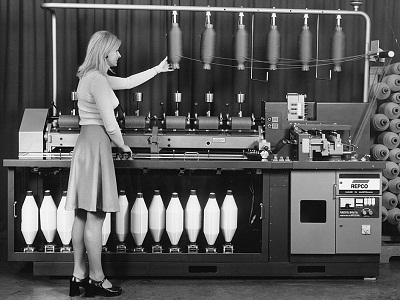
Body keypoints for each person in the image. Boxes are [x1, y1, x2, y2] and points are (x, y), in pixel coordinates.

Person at [66, 30, 173, 297]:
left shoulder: (89, 78)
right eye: (116, 51)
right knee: (96, 215)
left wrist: (157, 70)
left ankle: (77, 276)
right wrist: (122, 145)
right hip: (97, 143)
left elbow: (127, 82)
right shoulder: (99, 81)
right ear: (105, 53)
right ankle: (97, 278)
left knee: (81, 214)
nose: (120, 55)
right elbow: (110, 122)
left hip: (84, 145)